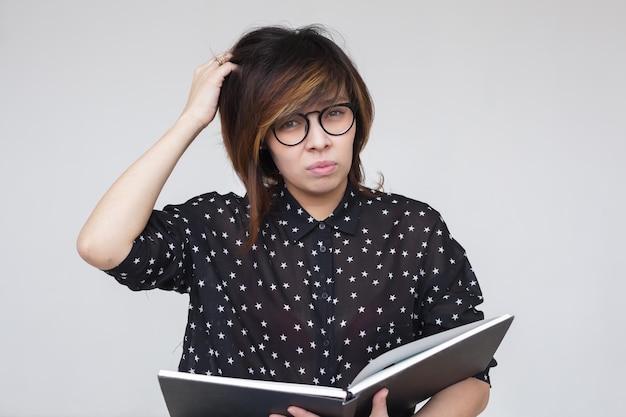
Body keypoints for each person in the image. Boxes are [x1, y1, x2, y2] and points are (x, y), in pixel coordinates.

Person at [77, 25, 494, 417]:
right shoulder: (216, 227)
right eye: (290, 123)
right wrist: (192, 119)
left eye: (333, 114)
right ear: (261, 141)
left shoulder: (413, 229)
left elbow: (470, 374)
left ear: (356, 119)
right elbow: (102, 246)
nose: (319, 141)